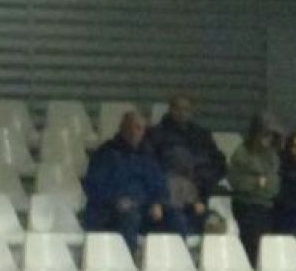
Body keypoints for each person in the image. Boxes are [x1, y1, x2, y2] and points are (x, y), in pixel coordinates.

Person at [82, 111, 181, 252]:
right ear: (122, 128)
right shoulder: (106, 153)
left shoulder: (147, 155)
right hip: (110, 213)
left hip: (144, 210)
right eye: (130, 127)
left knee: (175, 219)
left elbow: (160, 185)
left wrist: (158, 202)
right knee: (130, 216)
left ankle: (174, 259)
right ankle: (128, 260)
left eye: (139, 128)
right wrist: (116, 200)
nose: (134, 132)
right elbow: (93, 186)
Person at [228, 113, 285, 267]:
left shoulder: (273, 155)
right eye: (265, 134)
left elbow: (273, 185)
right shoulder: (242, 153)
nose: (268, 139)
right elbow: (237, 182)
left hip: (267, 205)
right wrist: (257, 182)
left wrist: (263, 183)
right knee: (254, 241)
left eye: (271, 135)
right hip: (247, 204)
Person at [149, 95, 229, 203]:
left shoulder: (201, 134)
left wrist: (208, 176)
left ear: (191, 112)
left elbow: (217, 159)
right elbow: (152, 161)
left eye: (186, 109)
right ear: (170, 110)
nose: (182, 113)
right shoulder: (157, 134)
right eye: (178, 109)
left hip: (202, 182)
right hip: (173, 183)